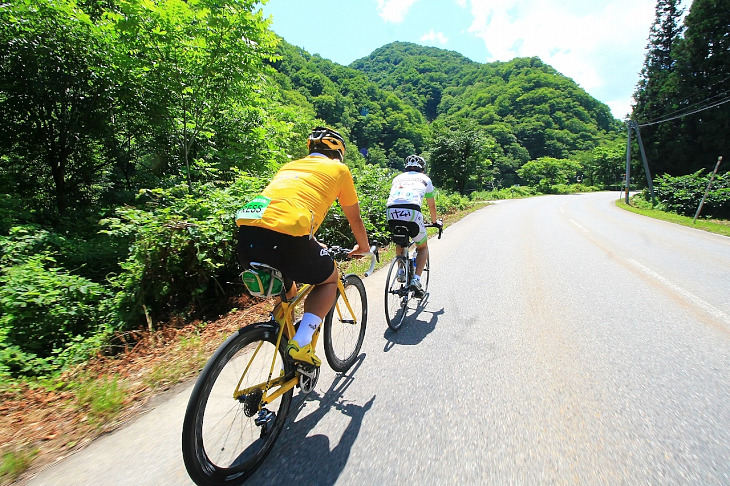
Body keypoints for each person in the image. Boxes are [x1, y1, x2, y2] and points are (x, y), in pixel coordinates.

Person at [235, 127, 370, 366]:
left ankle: (287, 350)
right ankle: (303, 341)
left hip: (247, 236)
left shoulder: (288, 167)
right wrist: (363, 246)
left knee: (287, 292)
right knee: (329, 280)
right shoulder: (339, 169)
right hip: (287, 241)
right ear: (338, 153)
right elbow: (355, 218)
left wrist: (312, 241)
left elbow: (282, 210)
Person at [386, 154, 442, 297]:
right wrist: (435, 222)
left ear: (406, 168)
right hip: (411, 212)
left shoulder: (397, 178)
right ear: (422, 169)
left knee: (401, 240)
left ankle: (400, 271)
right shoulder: (425, 179)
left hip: (391, 212)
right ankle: (416, 280)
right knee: (422, 247)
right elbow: (432, 205)